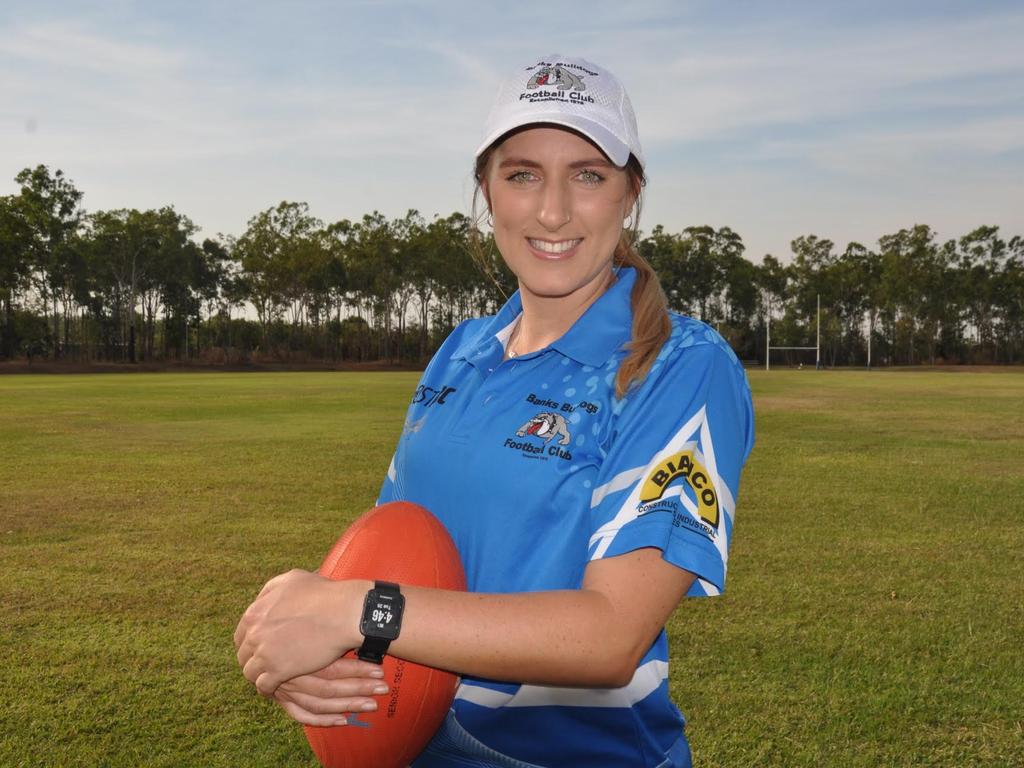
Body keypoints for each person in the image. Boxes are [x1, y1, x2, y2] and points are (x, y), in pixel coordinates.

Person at [235, 54, 755, 768]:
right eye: (522, 174)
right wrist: (322, 657)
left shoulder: (679, 364)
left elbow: (609, 636)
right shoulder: (462, 350)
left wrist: (352, 609)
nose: (552, 211)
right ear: (486, 189)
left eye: (588, 175)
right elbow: (401, 553)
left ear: (630, 192)